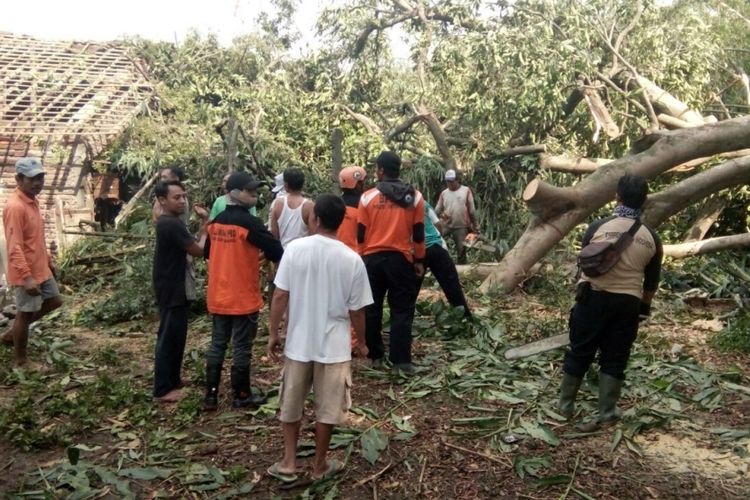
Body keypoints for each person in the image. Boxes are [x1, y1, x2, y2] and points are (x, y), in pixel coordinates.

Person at [267, 194, 372, 482]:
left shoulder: (295, 250)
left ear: (315, 219)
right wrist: (361, 343)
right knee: (327, 408)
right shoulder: (351, 259)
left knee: (291, 402)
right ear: (341, 222)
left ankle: (288, 462)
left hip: (298, 343)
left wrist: (273, 333)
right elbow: (358, 311)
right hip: (334, 346)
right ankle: (319, 465)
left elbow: (279, 295)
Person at [558, 174, 663, 431]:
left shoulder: (597, 228)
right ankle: (606, 412)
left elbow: (582, 264)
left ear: (617, 197)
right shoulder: (651, 238)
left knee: (579, 349)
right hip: (626, 304)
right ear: (645, 201)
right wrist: (644, 309)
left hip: (592, 298)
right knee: (615, 357)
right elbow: (650, 283)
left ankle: (565, 407)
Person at [203, 172, 284, 410]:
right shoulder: (250, 223)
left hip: (218, 294)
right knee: (241, 346)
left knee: (217, 343)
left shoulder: (215, 223)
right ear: (236, 193)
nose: (255, 195)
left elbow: (208, 252)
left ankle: (211, 395)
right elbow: (276, 250)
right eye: (251, 192)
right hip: (242, 296)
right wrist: (261, 255)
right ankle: (241, 394)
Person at [358, 151, 425, 374]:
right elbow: (418, 233)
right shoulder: (414, 197)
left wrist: (361, 257)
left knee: (372, 308)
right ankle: (401, 362)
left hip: (372, 259)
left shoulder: (367, 197)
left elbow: (361, 233)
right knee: (402, 310)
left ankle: (375, 355)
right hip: (401, 260)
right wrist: (419, 259)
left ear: (380, 170)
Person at [0, 158, 63, 368]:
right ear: (19, 179)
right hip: (25, 271)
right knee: (24, 313)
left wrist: (48, 262)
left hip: (40, 267)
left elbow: (36, 238)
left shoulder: (32, 200)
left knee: (54, 301)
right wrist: (26, 277)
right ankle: (21, 360)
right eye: (33, 178)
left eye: (41, 177)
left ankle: (13, 332)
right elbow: (14, 246)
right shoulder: (15, 206)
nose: (38, 182)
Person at [152, 180, 208, 403]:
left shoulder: (171, 221)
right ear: (162, 200)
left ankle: (173, 380)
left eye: (184, 196)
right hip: (171, 286)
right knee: (169, 337)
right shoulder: (170, 224)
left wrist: (204, 223)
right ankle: (162, 389)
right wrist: (205, 230)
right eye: (177, 197)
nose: (183, 201)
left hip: (172, 284)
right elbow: (198, 250)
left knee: (177, 335)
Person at [417, 201, 472, 318]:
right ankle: (465, 317)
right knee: (451, 284)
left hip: (415, 250)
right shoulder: (421, 201)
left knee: (409, 290)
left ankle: (404, 324)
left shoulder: (395, 205)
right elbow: (437, 223)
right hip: (436, 247)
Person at [435, 169, 477, 264]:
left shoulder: (466, 191)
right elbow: (437, 208)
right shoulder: (444, 193)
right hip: (446, 224)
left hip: (461, 225)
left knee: (461, 250)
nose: (449, 183)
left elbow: (472, 210)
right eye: (447, 181)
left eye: (451, 181)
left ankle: (462, 270)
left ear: (457, 180)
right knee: (434, 239)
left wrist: (475, 225)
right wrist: (438, 216)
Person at [269, 168, 314, 249]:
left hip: (284, 254)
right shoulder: (309, 206)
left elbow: (274, 234)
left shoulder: (277, 204)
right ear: (303, 184)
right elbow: (313, 234)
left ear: (286, 185)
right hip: (303, 254)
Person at [336, 166, 367, 252]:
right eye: (362, 182)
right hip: (357, 253)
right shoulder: (365, 203)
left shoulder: (334, 203)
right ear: (357, 185)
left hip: (336, 251)